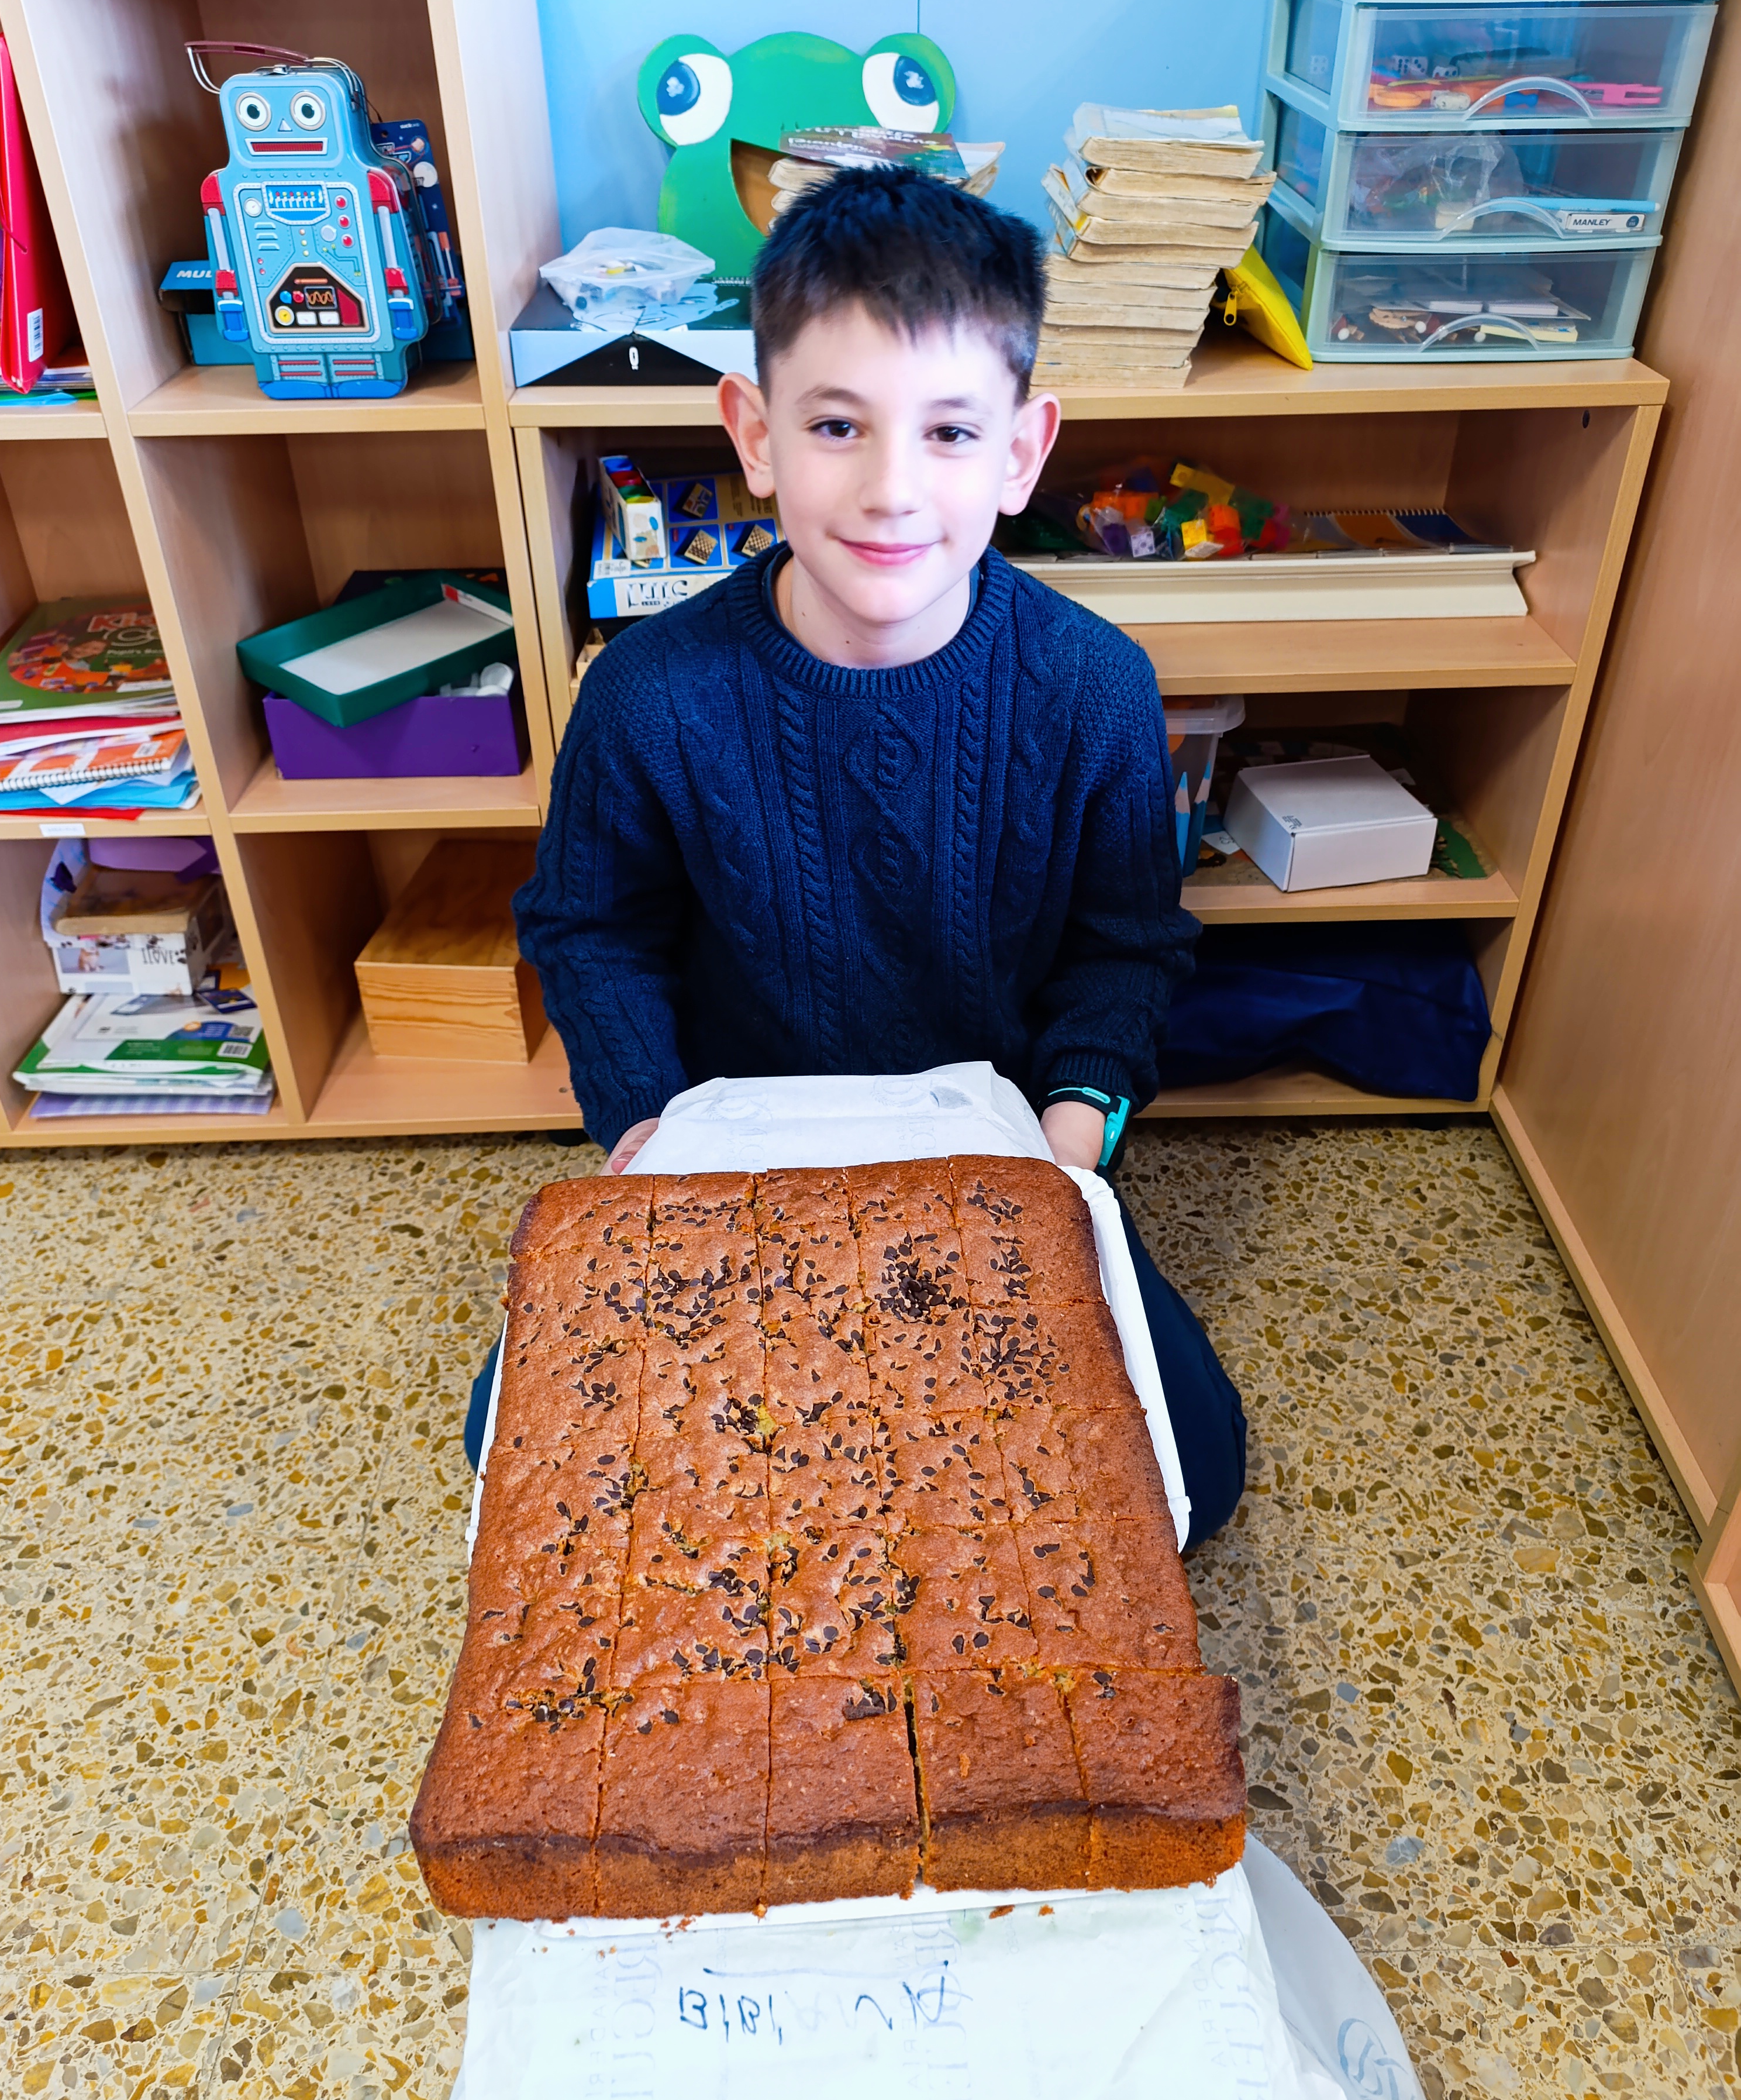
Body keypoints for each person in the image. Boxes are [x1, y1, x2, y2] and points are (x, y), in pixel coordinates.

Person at [474, 164, 1246, 1544]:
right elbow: (591, 931)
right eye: (838, 425)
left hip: (995, 1156)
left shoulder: (1095, 689)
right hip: (732, 1157)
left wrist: (1065, 1154)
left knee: (1192, 1470)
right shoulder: (647, 693)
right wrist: (647, 1130)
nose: (893, 491)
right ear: (756, 434)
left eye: (950, 432)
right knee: (545, 1463)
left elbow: (1126, 953)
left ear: (1022, 453)